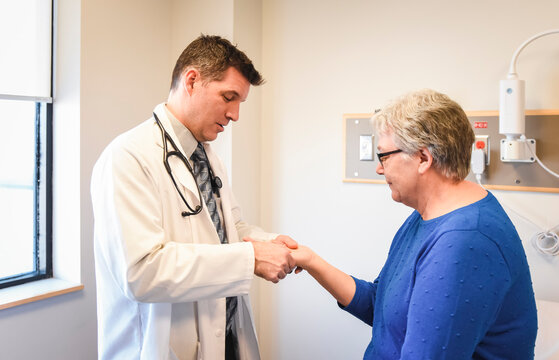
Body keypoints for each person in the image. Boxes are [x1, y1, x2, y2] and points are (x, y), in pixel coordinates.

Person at [91, 35, 297, 360]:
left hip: (225, 336)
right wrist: (250, 258)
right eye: (229, 97)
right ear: (192, 80)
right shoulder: (128, 157)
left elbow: (228, 227)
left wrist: (266, 242)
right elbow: (142, 273)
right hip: (159, 349)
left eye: (240, 102)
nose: (235, 115)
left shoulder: (206, 156)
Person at [291, 89, 538, 359]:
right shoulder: (428, 214)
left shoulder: (466, 241)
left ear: (423, 158)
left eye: (383, 156)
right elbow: (381, 306)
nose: (379, 168)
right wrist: (311, 260)